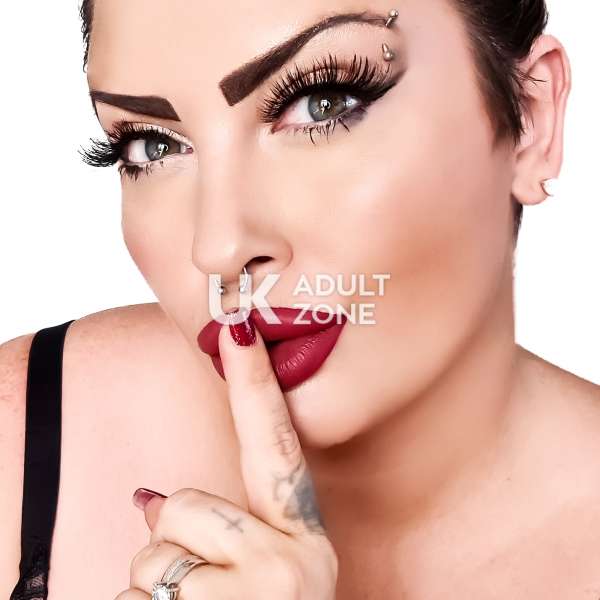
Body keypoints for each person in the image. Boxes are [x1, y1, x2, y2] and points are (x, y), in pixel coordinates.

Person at [2, 0, 599, 598]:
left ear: (530, 117)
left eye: (324, 103)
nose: (219, 248)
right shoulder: (23, 436)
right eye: (151, 146)